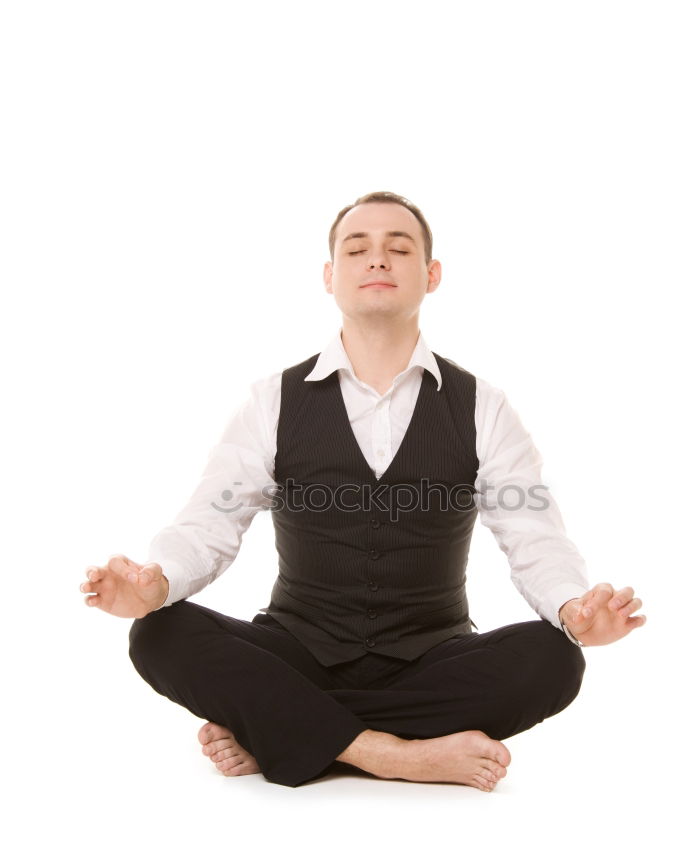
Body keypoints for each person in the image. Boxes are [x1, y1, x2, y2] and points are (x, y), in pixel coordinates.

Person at [80, 191, 646, 792]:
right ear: (331, 276)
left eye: (398, 248)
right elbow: (208, 525)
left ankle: (284, 729)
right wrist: (155, 584)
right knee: (160, 633)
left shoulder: (482, 405)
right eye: (358, 249)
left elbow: (534, 536)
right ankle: (393, 754)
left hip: (431, 660)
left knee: (555, 660)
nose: (377, 259)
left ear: (431, 275)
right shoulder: (272, 399)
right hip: (295, 652)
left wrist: (573, 610)